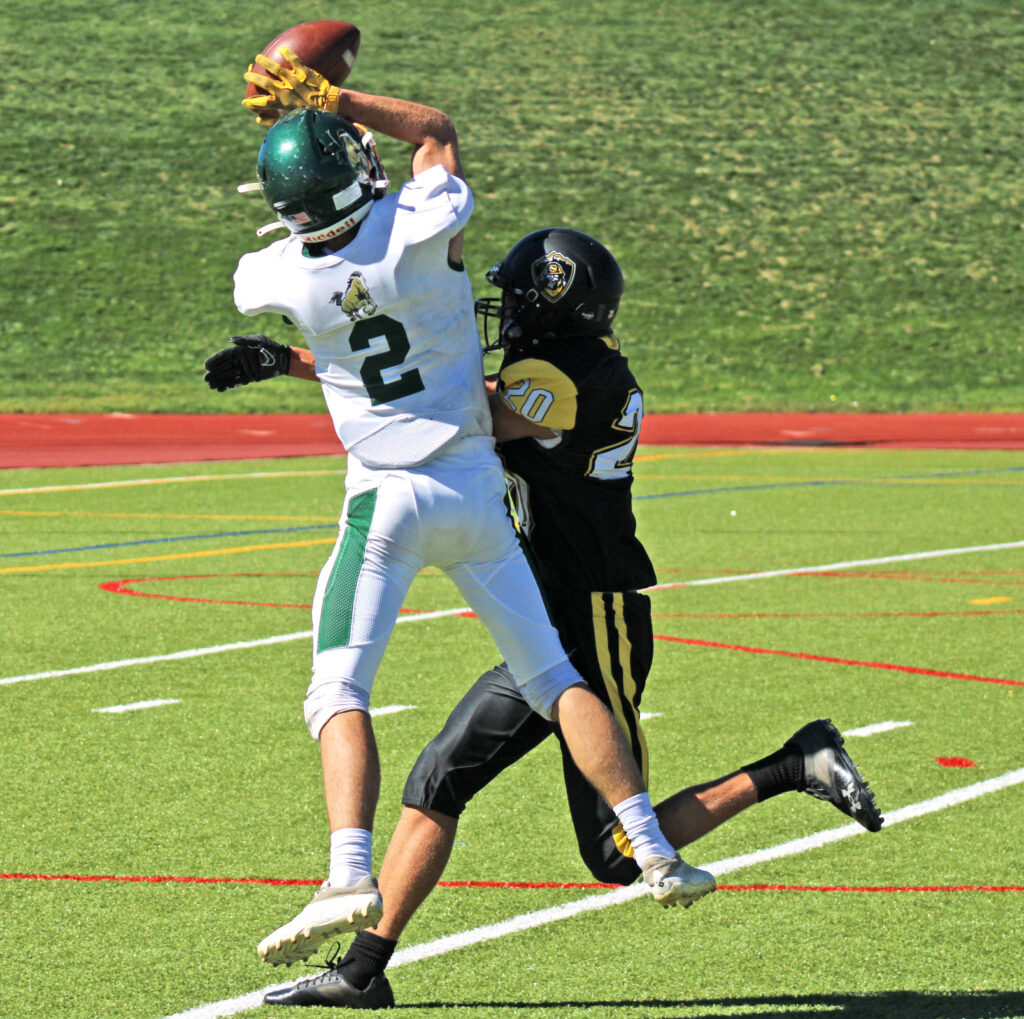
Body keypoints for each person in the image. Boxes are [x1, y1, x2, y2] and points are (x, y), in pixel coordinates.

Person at [241, 227, 884, 1008]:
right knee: (437, 778)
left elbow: (438, 408)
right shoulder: (570, 365)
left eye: (516, 300)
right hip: (544, 619)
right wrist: (302, 361)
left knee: (614, 852)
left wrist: (308, 358)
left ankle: (796, 762)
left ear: (554, 310)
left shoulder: (563, 378)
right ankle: (363, 969)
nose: (501, 313)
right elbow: (426, 394)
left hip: (596, 618)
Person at [205, 53, 715, 968]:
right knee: (557, 677)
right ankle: (653, 845)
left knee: (337, 689)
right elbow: (434, 132)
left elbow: (340, 312)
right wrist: (339, 100)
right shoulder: (419, 225)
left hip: (384, 504)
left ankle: (347, 868)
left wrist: (300, 152)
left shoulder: (274, 277)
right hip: (474, 489)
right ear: (361, 174)